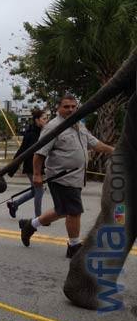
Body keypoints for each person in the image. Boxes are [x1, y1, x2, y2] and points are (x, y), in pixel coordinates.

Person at [18, 94, 114, 258]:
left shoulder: (78, 125)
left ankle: (30, 225)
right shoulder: (53, 127)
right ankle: (74, 246)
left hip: (76, 177)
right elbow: (39, 153)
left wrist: (115, 151)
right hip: (60, 177)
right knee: (74, 211)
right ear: (58, 108)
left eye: (73, 106)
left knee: (62, 210)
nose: (70, 109)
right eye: (66, 106)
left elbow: (94, 143)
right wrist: (36, 175)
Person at [7, 109, 48, 219]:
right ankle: (39, 218)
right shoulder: (31, 134)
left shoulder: (43, 132)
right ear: (37, 120)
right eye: (44, 119)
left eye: (47, 118)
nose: (46, 121)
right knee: (39, 190)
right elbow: (22, 151)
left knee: (35, 191)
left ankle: (14, 204)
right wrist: (12, 168)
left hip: (41, 167)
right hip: (32, 168)